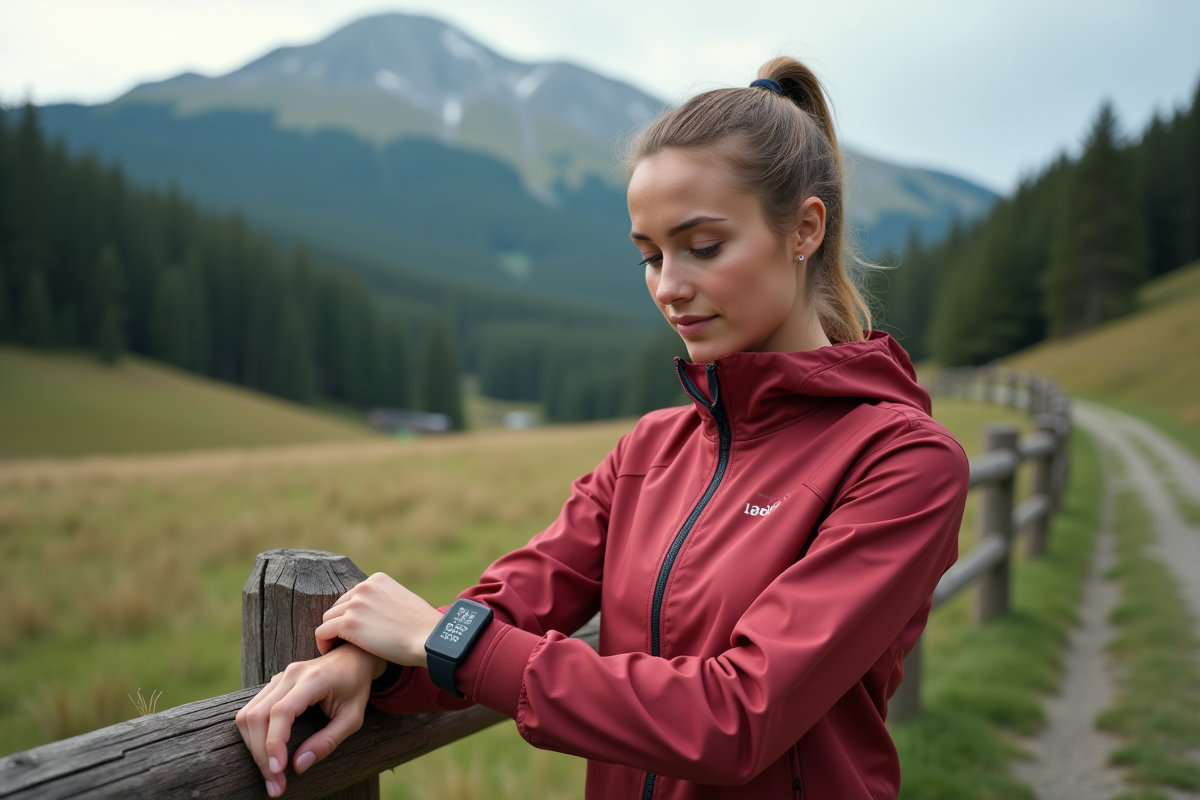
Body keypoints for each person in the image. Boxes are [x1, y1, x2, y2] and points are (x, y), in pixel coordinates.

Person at [236, 56, 970, 800]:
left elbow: (738, 715)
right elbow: (519, 596)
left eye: (704, 247)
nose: (669, 288)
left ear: (805, 229)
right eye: (649, 256)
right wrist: (368, 664)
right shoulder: (650, 450)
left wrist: (440, 640)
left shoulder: (903, 461)